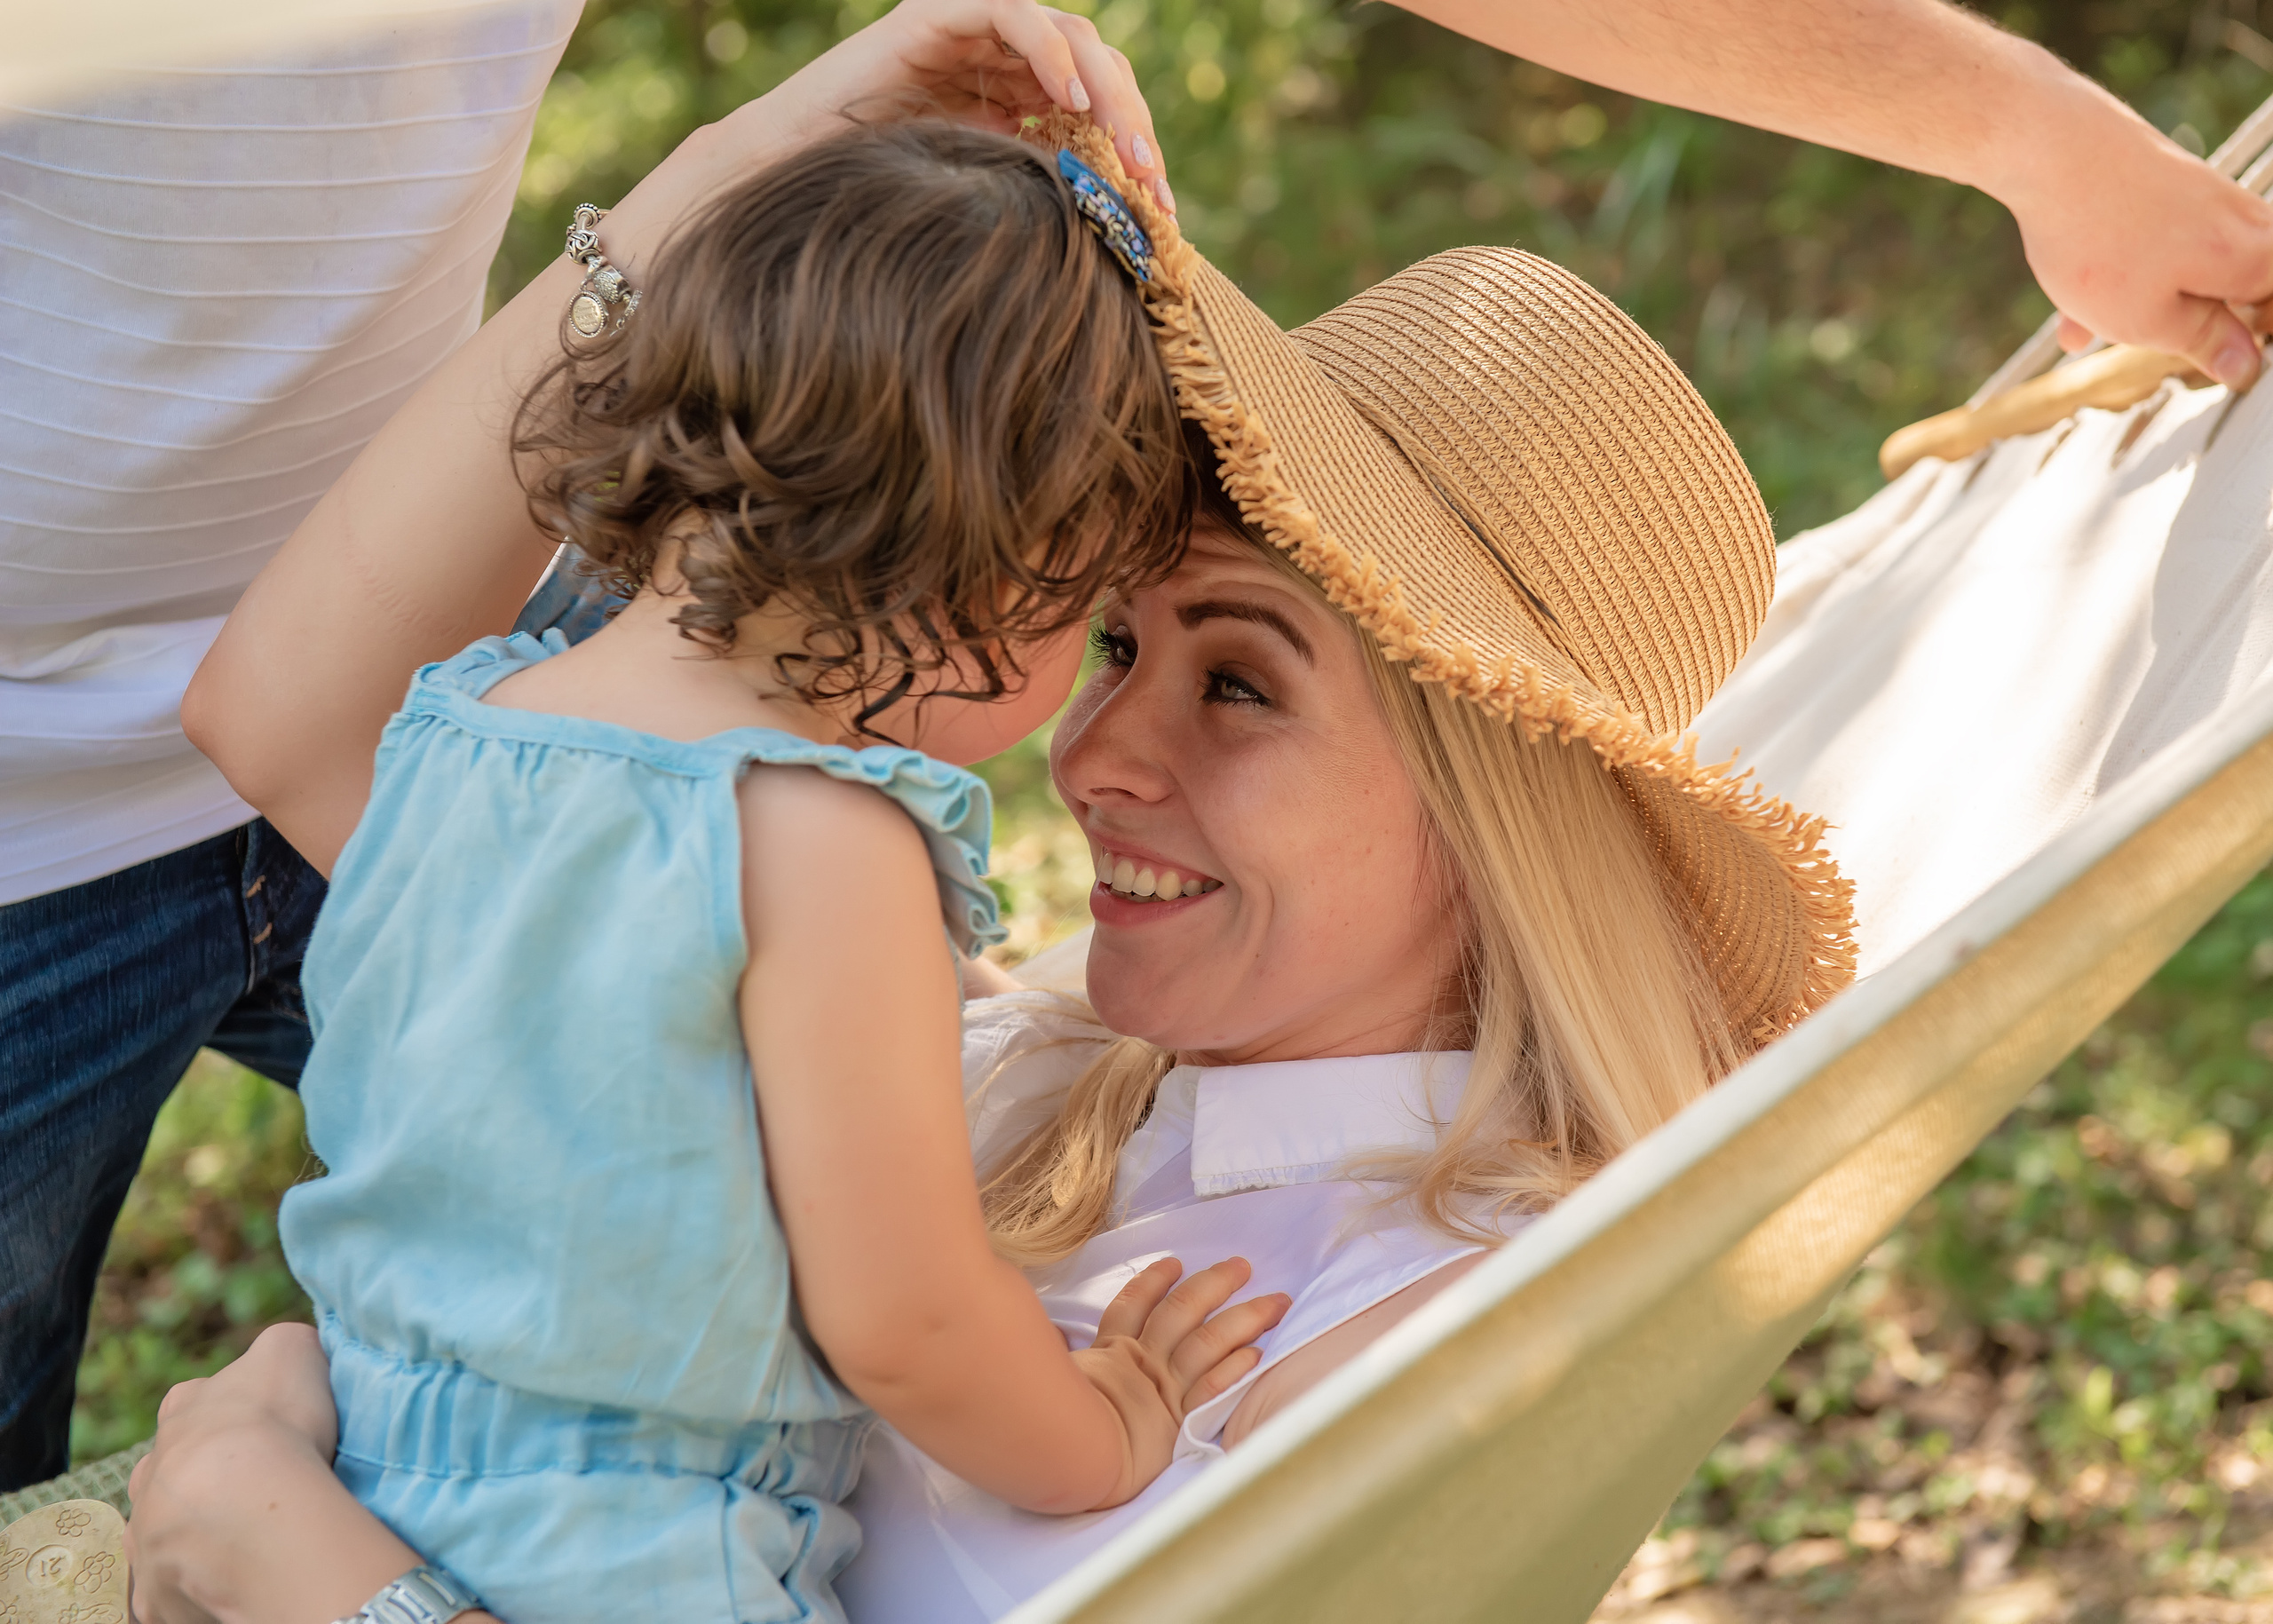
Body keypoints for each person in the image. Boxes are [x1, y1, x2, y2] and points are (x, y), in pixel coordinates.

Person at [123, 158, 1856, 1620]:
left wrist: (302, 1563)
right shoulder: (992, 1049)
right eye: (1109, 642)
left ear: (1495, 823)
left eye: (1235, 683)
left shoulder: (1444, 1325)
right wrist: (751, 195)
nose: (1089, 754)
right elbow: (276, 719)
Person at [0, 0, 1174, 1493]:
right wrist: (1111, 1437)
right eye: (1103, 619)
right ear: (1002, 595)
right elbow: (908, 1321)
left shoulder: (459, 727)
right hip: (654, 1555)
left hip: (392, 1485)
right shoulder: (831, 848)